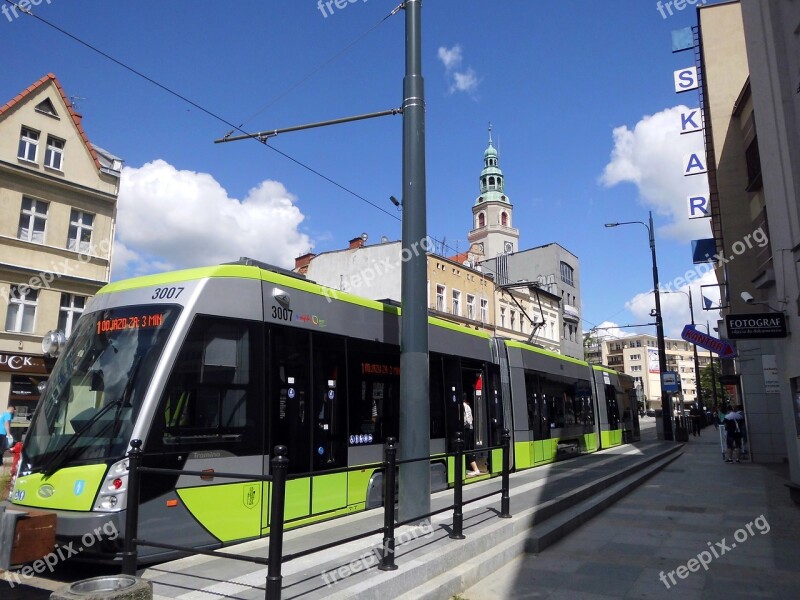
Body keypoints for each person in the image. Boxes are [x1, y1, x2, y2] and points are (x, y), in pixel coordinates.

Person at [462, 397, 481, 475]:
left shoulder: (463, 406)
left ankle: (476, 469)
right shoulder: (467, 406)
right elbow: (471, 418)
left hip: (466, 429)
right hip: (470, 428)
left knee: (466, 449)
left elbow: (464, 419)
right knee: (467, 448)